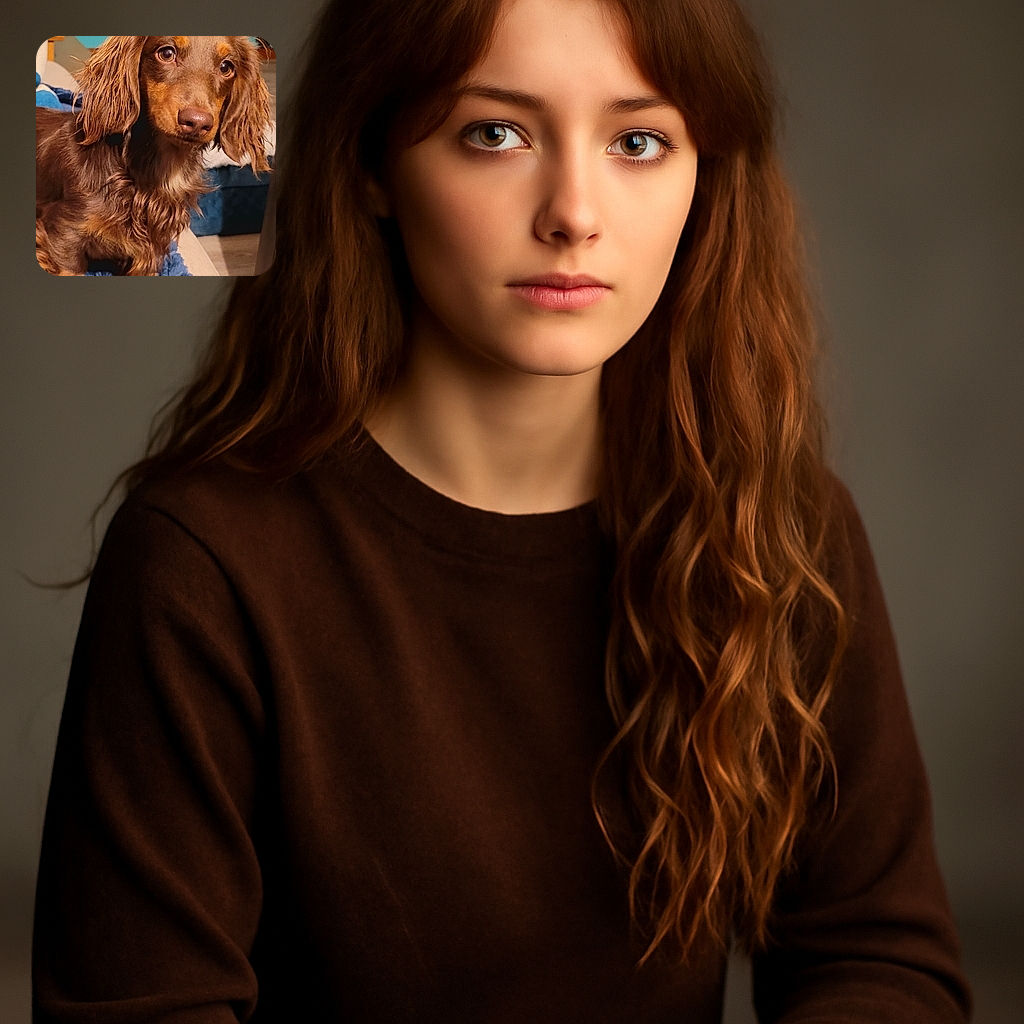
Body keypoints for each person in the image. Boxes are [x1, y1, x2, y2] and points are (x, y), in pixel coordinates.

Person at [32, 0, 971, 1021]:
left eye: (638, 142)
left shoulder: (781, 532)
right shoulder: (201, 565)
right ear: (372, 166)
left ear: (705, 179)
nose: (574, 212)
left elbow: (879, 962)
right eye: (494, 133)